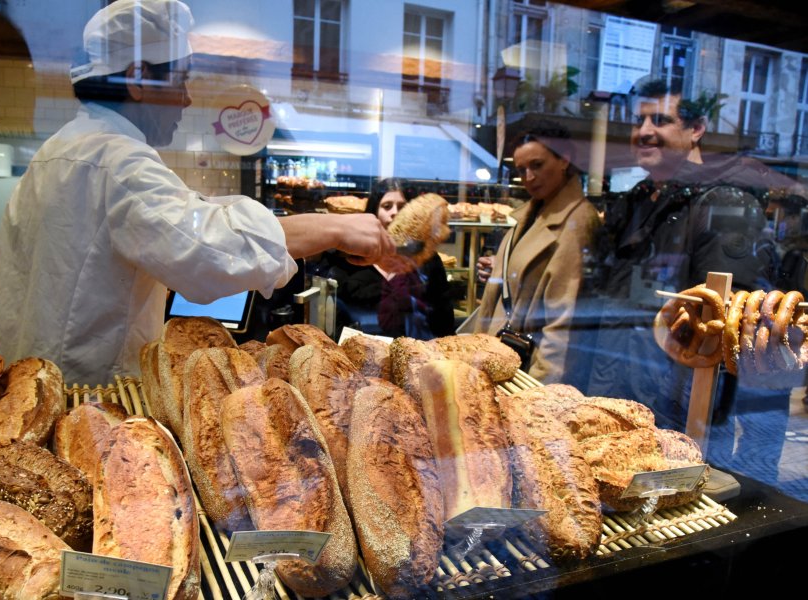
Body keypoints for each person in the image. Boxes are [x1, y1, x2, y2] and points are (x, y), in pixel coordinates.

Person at [0, 0, 398, 384]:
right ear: (137, 79)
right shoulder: (115, 160)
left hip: (34, 382)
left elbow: (190, 216)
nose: (186, 99)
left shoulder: (60, 151)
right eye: (181, 79)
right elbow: (208, 247)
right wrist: (333, 229)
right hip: (87, 394)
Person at [583, 77, 786, 484]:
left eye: (660, 120)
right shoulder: (637, 201)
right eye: (639, 120)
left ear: (696, 129)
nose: (644, 132)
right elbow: (608, 304)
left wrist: (687, 420)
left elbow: (722, 331)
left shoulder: (724, 203)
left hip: (677, 409)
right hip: (617, 392)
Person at [468, 122, 599, 384]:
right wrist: (502, 270)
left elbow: (561, 322)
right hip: (503, 356)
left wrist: (542, 390)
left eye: (537, 165)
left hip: (529, 370)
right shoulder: (534, 213)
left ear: (564, 160)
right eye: (521, 169)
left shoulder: (577, 221)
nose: (528, 177)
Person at [311, 178, 455, 339]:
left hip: (416, 353)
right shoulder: (349, 259)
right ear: (374, 213)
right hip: (358, 353)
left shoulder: (426, 260)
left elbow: (444, 317)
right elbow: (332, 318)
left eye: (402, 207)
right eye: (387, 206)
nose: (394, 212)